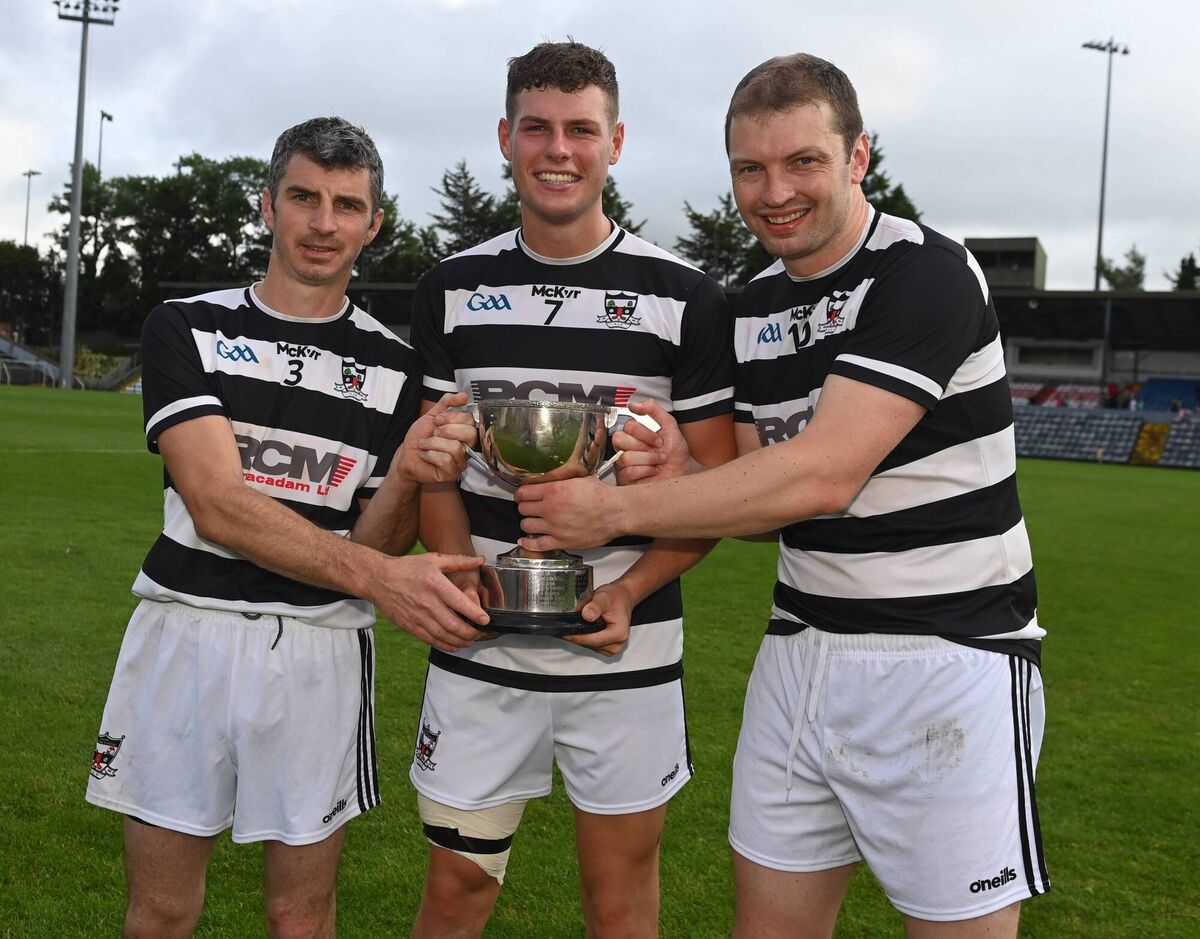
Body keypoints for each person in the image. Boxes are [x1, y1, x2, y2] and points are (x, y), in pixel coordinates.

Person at [516, 53, 1050, 939]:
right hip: (801, 649)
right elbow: (764, 493)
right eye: (750, 168)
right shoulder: (749, 305)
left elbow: (824, 473)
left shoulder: (926, 272)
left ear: (858, 158)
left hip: (950, 654)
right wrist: (673, 471)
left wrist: (613, 511)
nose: (775, 192)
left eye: (803, 160)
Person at [84, 116, 489, 939]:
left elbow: (373, 544)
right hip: (187, 637)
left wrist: (408, 471)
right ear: (267, 206)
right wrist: (382, 580)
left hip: (319, 648)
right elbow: (217, 504)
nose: (322, 222)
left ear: (374, 224)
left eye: (347, 204)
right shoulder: (186, 326)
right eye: (304, 197)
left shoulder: (394, 367)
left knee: (300, 915)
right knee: (160, 911)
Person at [407, 41, 737, 938]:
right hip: (481, 648)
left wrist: (629, 588)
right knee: (456, 890)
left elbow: (718, 487)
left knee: (620, 899)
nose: (560, 149)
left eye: (581, 129)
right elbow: (436, 463)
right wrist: (453, 570)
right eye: (539, 128)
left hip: (627, 650)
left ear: (616, 142)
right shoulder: (451, 290)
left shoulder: (685, 300)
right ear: (506, 137)